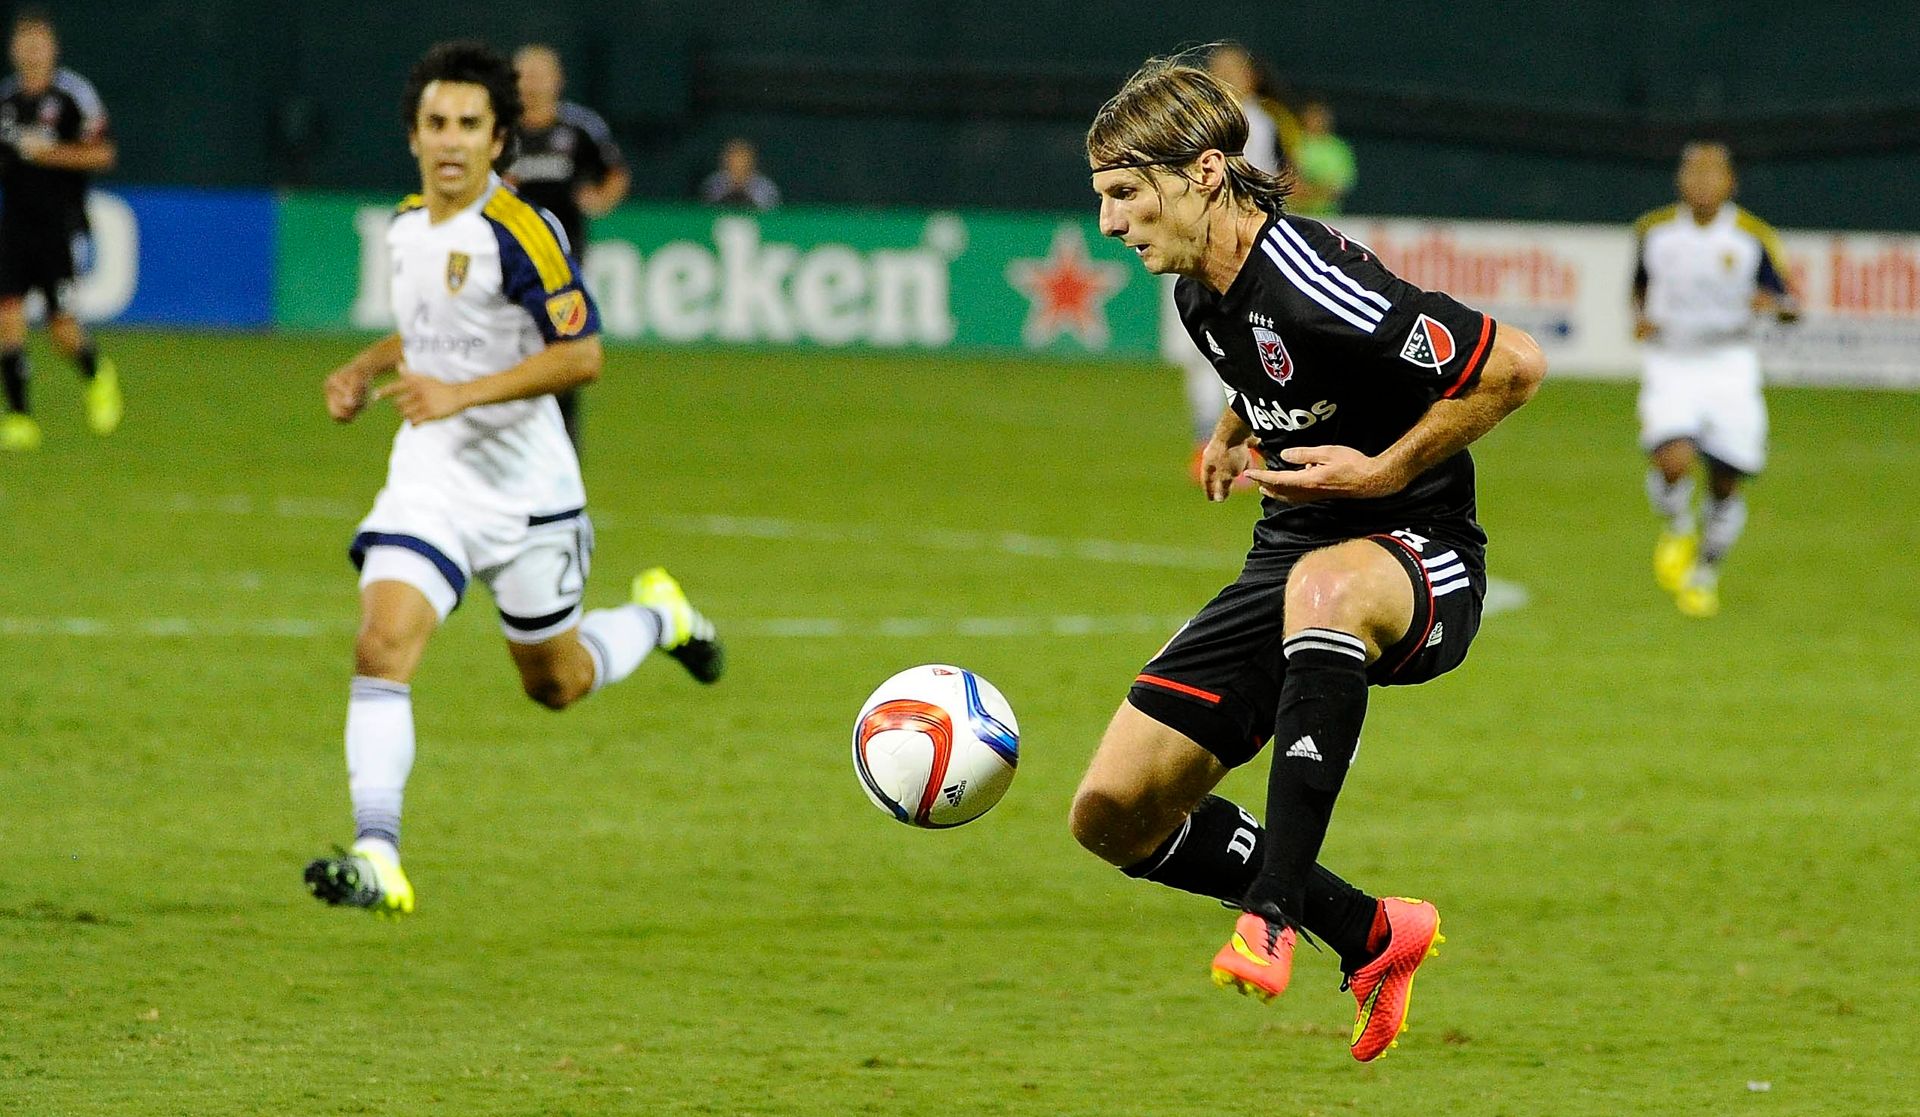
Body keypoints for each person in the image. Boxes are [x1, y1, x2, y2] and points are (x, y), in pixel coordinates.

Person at [1075, 55, 1545, 1061]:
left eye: (1124, 194)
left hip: (1417, 551)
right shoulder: (1199, 283)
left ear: (1204, 173)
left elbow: (1514, 367)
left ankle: (1276, 907)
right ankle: (1373, 933)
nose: (1109, 225)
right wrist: (1239, 428)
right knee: (1113, 811)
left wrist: (1385, 472)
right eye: (1102, 198)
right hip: (1289, 551)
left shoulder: (1316, 280)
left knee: (1325, 586)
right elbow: (1274, 359)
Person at [304, 41, 723, 918]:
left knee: (556, 684)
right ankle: (379, 853)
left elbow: (582, 354)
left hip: (532, 498)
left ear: (498, 141)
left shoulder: (526, 230)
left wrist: (460, 391)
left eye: (468, 125)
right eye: (434, 124)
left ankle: (661, 617)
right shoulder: (406, 227)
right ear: (414, 135)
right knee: (381, 644)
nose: (449, 141)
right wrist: (362, 365)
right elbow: (428, 330)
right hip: (432, 483)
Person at [1633, 141, 1797, 618]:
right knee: (1673, 460)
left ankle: (1704, 573)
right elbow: (1638, 288)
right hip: (1672, 361)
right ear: (1680, 181)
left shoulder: (1752, 236)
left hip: (1730, 365)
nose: (1702, 183)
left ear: (1731, 183)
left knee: (1725, 480)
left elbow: (1788, 302)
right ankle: (1678, 525)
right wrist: (1640, 317)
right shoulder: (1654, 231)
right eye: (1693, 174)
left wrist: (1775, 307)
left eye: (1712, 174)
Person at [1171, 43, 1299, 475]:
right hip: (1196, 251)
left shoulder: (1260, 123)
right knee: (1206, 352)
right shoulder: (1195, 124)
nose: (1224, 77)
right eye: (1216, 70)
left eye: (1232, 71)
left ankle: (1256, 444)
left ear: (1250, 78)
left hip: (1244, 255)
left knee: (1251, 349)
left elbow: (1279, 182)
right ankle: (1209, 442)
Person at [0, 9, 119, 452]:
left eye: (39, 44)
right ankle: (19, 417)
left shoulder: (74, 96)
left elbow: (103, 154)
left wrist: (48, 153)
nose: (31, 52)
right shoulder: (6, 101)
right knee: (7, 320)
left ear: (52, 49)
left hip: (58, 228)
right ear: (14, 50)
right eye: (24, 44)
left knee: (61, 330)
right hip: (13, 226)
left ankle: (95, 372)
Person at [504, 43, 630, 454]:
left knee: (563, 345)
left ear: (558, 80)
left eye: (542, 73)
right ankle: (510, 442)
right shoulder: (501, 129)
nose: (534, 83)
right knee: (509, 344)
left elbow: (614, 174)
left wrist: (599, 200)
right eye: (526, 74)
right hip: (509, 257)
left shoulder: (579, 128)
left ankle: (562, 444)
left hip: (563, 259)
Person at [1288, 100, 1356, 217]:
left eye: (1319, 117)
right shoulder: (1294, 143)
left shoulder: (1338, 149)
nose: (1316, 121)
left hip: (1328, 217)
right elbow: (1287, 179)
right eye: (1312, 117)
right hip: (1294, 215)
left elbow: (1338, 188)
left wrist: (1311, 192)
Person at [698, 137, 781, 211]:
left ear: (752, 162)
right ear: (725, 161)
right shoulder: (713, 184)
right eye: (734, 160)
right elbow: (706, 213)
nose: (738, 165)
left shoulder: (765, 187)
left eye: (743, 160)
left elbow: (771, 217)